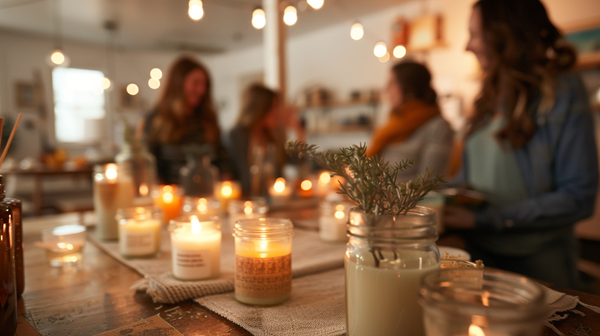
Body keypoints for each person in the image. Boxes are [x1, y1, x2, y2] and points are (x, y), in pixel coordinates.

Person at [444, 0, 598, 289]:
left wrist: (489, 220)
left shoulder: (561, 90)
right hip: (476, 253)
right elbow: (469, 181)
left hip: (536, 263)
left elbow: (578, 196)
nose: (468, 46)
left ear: (506, 35)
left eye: (475, 34)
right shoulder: (489, 95)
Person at [139, 56, 233, 185]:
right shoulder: (155, 119)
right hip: (171, 199)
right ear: (178, 83)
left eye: (204, 84)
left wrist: (225, 182)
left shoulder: (207, 119)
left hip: (208, 197)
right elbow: (147, 165)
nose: (201, 90)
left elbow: (223, 159)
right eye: (196, 83)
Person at [366, 61, 453, 182]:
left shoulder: (438, 127)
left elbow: (431, 184)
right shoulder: (393, 123)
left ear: (408, 89)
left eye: (392, 83)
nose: (386, 90)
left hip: (409, 201)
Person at [226, 84, 294, 196]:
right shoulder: (235, 136)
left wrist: (299, 132)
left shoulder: (274, 135)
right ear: (260, 108)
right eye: (274, 107)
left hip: (274, 201)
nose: (277, 112)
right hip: (245, 202)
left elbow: (298, 162)